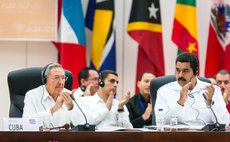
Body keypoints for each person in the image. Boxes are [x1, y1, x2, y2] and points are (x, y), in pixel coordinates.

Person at [154, 52, 229, 126]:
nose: (180, 75)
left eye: (185, 71)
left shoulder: (212, 90)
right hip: (177, 137)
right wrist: (180, 103)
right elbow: (160, 122)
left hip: (205, 137)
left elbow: (225, 123)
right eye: (178, 70)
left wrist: (211, 104)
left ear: (196, 71)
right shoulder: (164, 91)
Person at [23, 63, 77, 128]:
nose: (61, 82)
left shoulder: (69, 96)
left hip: (64, 137)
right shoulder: (32, 95)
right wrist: (53, 110)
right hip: (39, 137)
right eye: (56, 78)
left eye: (63, 78)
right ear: (45, 79)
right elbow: (27, 122)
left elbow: (80, 124)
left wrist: (71, 107)